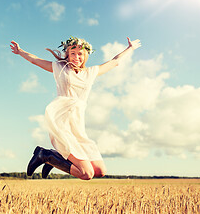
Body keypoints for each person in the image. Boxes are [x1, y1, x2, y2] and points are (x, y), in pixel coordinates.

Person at [10, 36, 141, 180]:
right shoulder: (60, 68)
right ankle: (46, 156)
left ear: (85, 56)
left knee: (100, 171)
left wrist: (130, 48)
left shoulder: (90, 73)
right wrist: (20, 51)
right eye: (73, 53)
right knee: (86, 174)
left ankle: (55, 158)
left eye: (80, 54)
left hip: (77, 123)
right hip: (62, 120)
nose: (76, 57)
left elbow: (115, 62)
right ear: (67, 54)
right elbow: (35, 60)